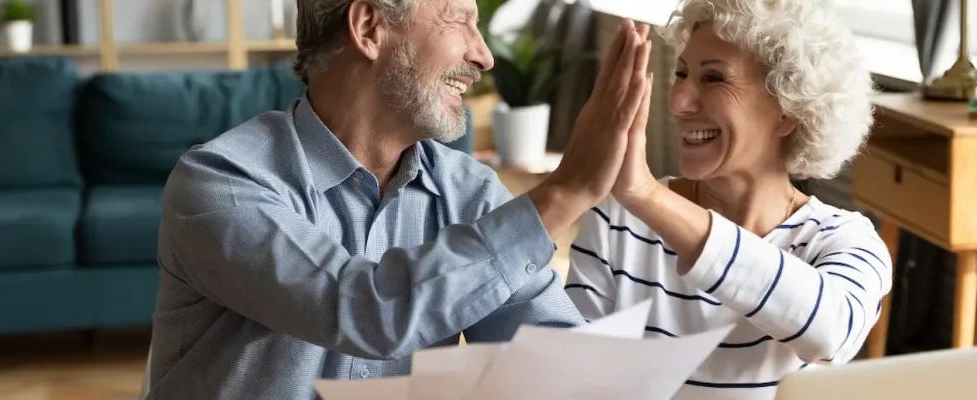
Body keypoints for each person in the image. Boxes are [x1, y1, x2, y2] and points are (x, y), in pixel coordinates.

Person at [142, 0, 653, 397]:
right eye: (459, 20)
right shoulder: (221, 182)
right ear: (368, 27)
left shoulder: (468, 193)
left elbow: (540, 347)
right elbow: (362, 311)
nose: (484, 55)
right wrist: (565, 192)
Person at [565, 0, 889, 399]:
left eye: (714, 78)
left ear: (788, 109)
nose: (679, 102)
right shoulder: (620, 221)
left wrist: (647, 195)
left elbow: (831, 333)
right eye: (680, 74)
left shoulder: (843, 240)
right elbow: (574, 378)